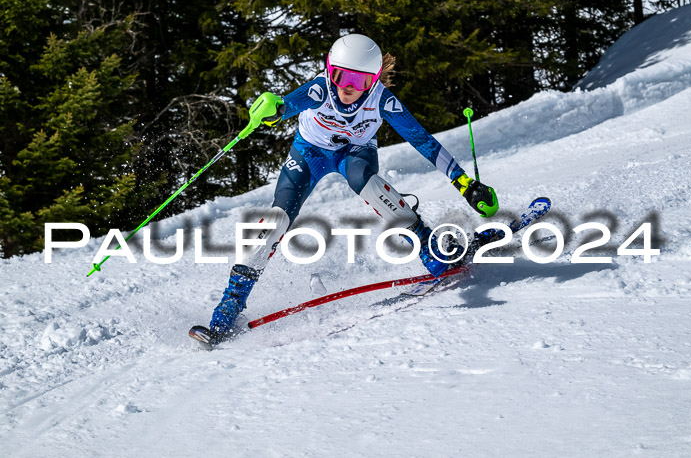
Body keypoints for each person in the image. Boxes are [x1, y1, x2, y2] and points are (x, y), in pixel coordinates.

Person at [192, 34, 498, 345]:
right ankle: (230, 306)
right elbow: (289, 104)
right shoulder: (321, 87)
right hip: (308, 153)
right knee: (275, 220)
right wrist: (274, 108)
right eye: (340, 76)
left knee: (366, 183)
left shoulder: (381, 99)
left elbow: (422, 141)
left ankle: (429, 250)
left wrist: (463, 182)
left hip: (355, 153)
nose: (347, 87)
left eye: (359, 80)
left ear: (374, 81)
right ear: (329, 71)